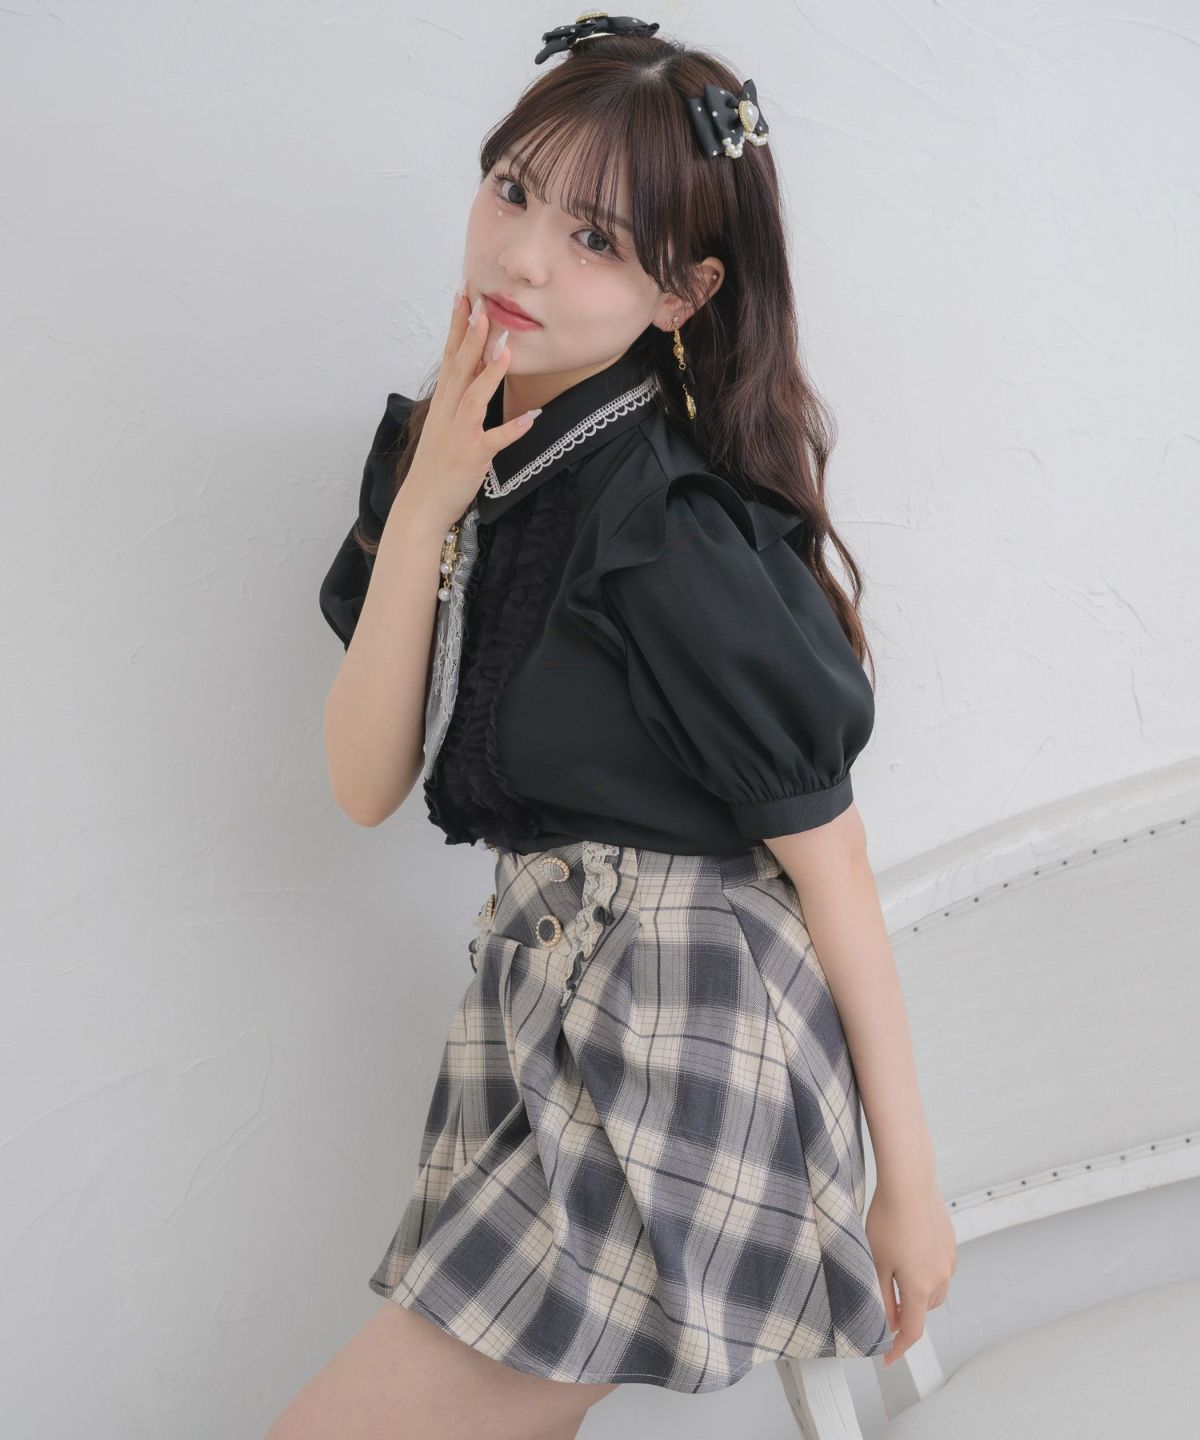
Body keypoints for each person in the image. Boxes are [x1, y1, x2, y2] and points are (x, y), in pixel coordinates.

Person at [269, 13, 956, 1439]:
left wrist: (912, 1181)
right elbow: (361, 783)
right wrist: (426, 504)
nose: (521, 258)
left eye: (595, 239)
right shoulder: (446, 460)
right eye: (512, 190)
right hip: (540, 1010)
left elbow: (830, 865)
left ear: (684, 292)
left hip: (689, 1033)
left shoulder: (670, 528)